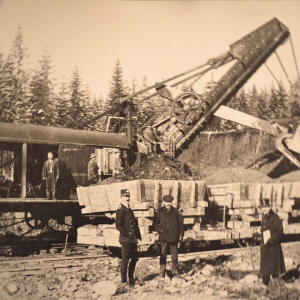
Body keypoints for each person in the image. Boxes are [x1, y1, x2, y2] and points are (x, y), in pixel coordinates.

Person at [153, 195, 184, 277]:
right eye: (167, 202)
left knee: (174, 256)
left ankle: (174, 271)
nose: (168, 204)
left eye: (170, 202)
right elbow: (155, 224)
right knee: (163, 255)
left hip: (174, 237)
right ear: (163, 202)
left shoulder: (175, 211)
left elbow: (180, 224)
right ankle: (162, 272)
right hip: (164, 237)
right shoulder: (160, 211)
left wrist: (181, 235)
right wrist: (160, 231)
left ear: (172, 202)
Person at [116, 189, 141, 286]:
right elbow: (118, 226)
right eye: (125, 196)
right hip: (126, 239)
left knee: (134, 258)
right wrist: (128, 234)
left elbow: (134, 224)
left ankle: (131, 278)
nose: (127, 198)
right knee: (125, 260)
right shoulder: (120, 209)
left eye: (128, 196)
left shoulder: (128, 208)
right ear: (121, 197)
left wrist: (137, 237)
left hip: (133, 239)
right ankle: (124, 281)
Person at [259, 205, 286, 285]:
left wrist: (271, 241)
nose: (264, 209)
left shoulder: (275, 217)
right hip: (265, 246)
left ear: (270, 207)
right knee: (265, 267)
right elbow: (263, 230)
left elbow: (279, 231)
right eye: (262, 207)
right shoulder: (264, 217)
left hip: (273, 246)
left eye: (266, 207)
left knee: (274, 266)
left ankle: (276, 285)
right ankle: (265, 283)